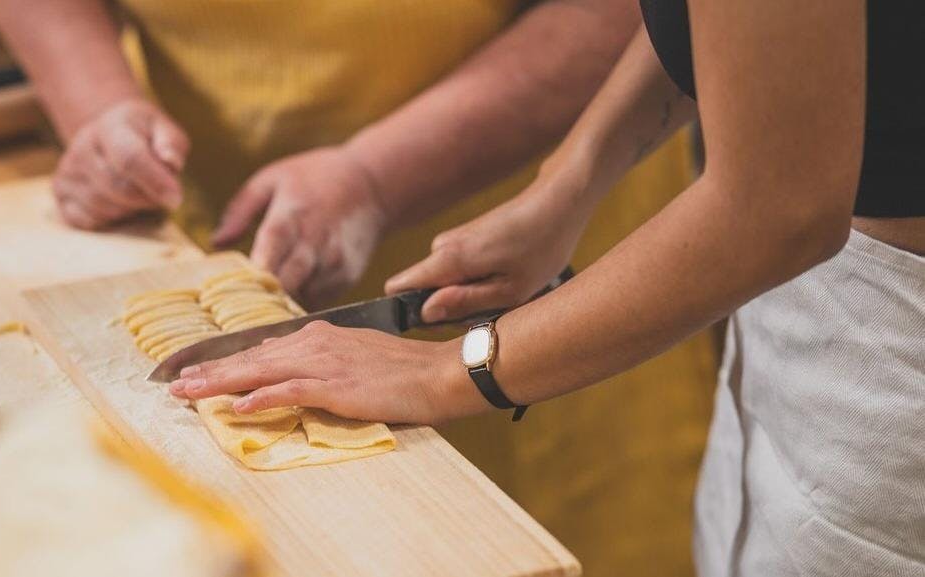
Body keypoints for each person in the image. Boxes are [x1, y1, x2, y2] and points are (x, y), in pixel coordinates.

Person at [169, 1, 925, 575]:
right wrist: (572, 178)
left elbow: (780, 212)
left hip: (888, 369)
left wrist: (443, 370)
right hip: (803, 317)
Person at [0, 1, 716, 573]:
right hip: (225, 221)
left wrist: (376, 178)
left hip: (534, 256)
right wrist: (102, 111)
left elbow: (651, 18)